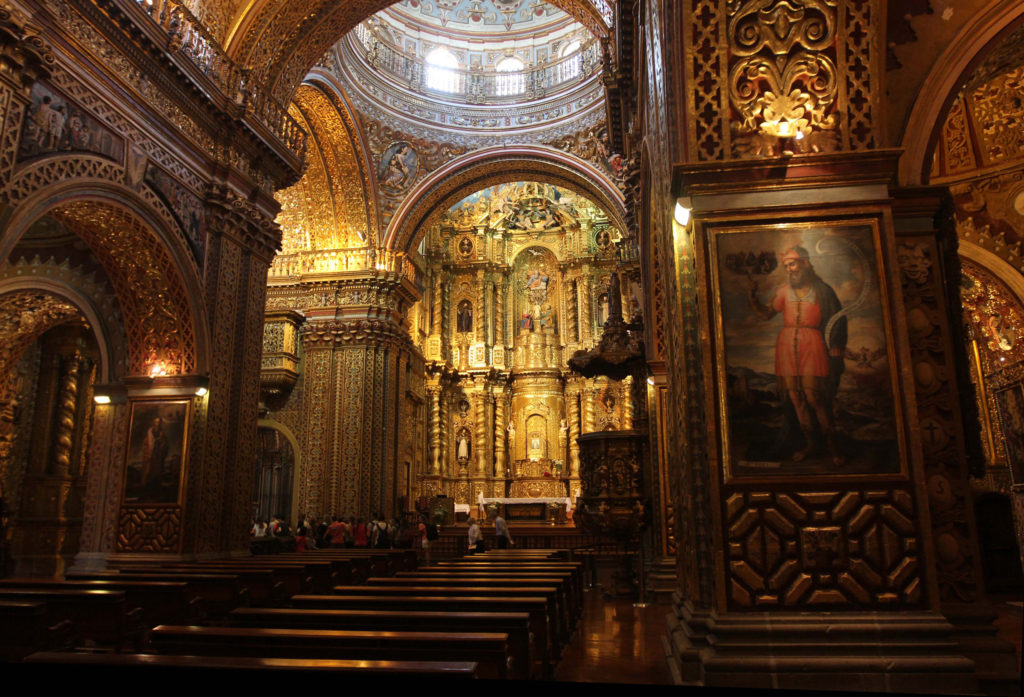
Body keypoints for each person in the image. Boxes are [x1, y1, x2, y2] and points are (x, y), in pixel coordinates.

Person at [748, 245, 848, 464]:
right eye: (786, 266)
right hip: (786, 347)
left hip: (812, 344)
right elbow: (766, 314)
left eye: (792, 264)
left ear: (804, 263)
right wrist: (752, 295)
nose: (790, 269)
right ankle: (811, 446)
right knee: (796, 399)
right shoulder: (783, 291)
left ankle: (833, 448)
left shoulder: (823, 290)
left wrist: (836, 349)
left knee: (815, 397)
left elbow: (837, 319)